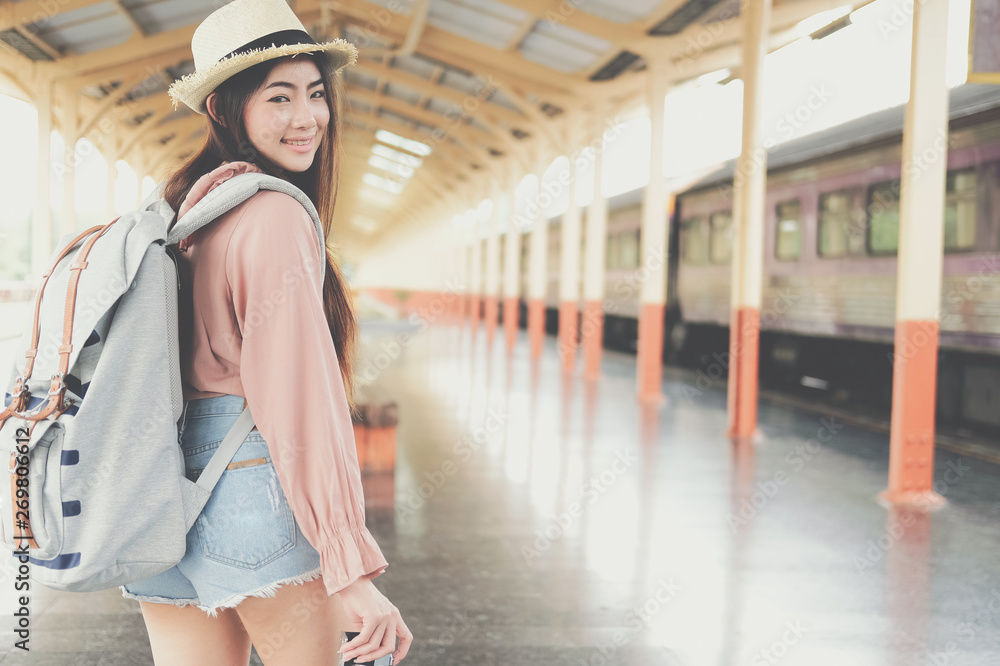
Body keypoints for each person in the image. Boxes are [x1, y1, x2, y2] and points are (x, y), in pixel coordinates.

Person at [117, 0, 412, 664]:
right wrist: (350, 564)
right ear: (224, 109)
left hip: (160, 496)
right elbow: (299, 402)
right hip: (251, 488)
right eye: (279, 97)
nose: (307, 117)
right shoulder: (272, 215)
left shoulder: (182, 213)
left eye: (315, 93)